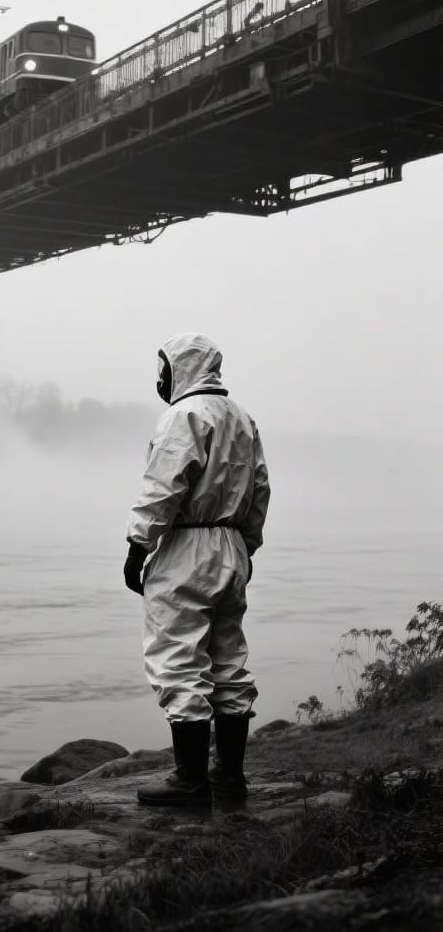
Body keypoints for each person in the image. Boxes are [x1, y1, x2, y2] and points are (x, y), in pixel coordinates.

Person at [123, 333, 270, 806]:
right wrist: (245, 548)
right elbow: (260, 490)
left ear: (181, 369)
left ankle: (189, 780)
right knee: (229, 661)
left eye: (162, 368)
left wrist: (137, 546)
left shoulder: (181, 416)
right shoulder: (242, 417)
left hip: (186, 546)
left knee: (178, 658)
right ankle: (230, 777)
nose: (158, 378)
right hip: (231, 545)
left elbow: (163, 485)